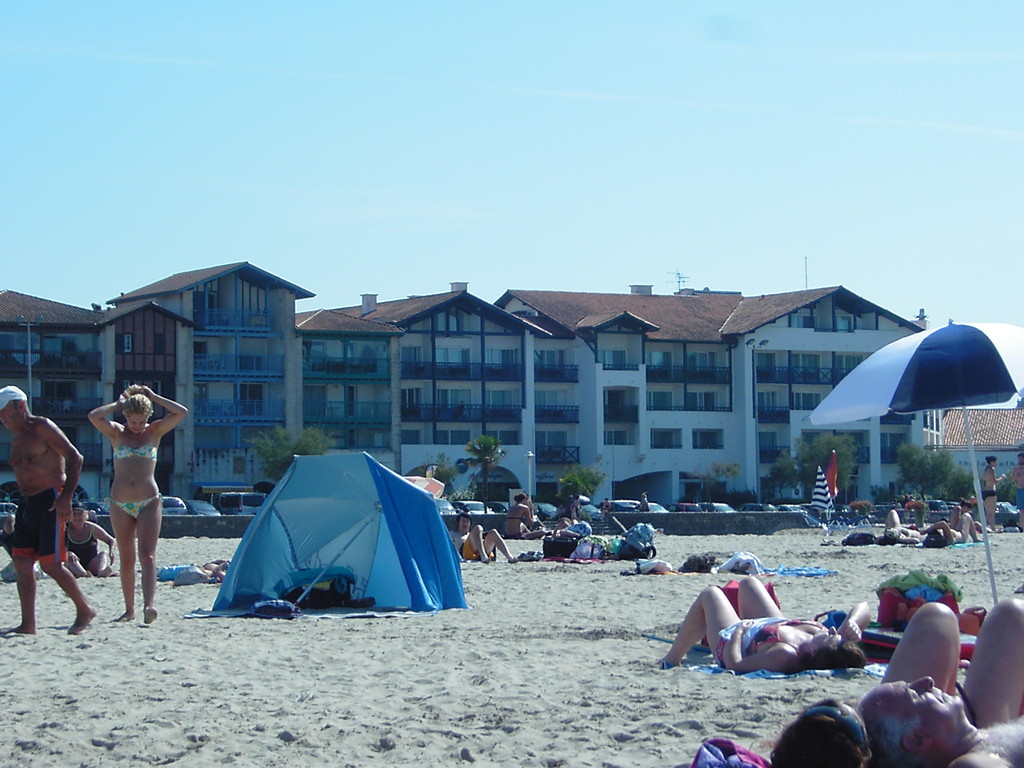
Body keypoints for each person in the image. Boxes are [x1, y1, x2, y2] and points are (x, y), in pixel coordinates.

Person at [772, 600, 1024, 768]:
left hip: (959, 738)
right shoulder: (974, 764)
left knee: (938, 616)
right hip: (971, 743)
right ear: (918, 739)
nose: (927, 681)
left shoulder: (961, 747)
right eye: (916, 693)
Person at [0, 385, 96, 634]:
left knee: (51, 564)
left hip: (50, 499)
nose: (2, 418)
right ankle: (28, 624)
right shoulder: (17, 435)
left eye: (4, 412)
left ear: (20, 406)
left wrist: (66, 498)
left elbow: (75, 457)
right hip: (27, 502)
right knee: (21, 561)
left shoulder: (41, 427)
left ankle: (85, 609)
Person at [88, 384, 187, 624]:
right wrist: (117, 404)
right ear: (126, 416)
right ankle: (129, 608)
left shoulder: (154, 432)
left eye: (142, 421)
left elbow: (181, 412)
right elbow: (93, 416)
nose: (138, 426)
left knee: (147, 555)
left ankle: (149, 605)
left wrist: (154, 397)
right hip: (120, 502)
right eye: (134, 421)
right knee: (126, 557)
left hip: (149, 501)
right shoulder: (116, 432)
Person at [656, 575, 870, 673]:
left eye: (832, 635)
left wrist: (739, 631)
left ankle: (671, 659)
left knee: (710, 593)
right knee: (749, 583)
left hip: (734, 642)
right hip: (769, 625)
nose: (832, 629)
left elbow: (735, 665)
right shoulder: (824, 639)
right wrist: (852, 622)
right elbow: (864, 607)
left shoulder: (785, 655)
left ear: (816, 652)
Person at [64, 505, 116, 578]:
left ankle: (101, 571)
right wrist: (67, 553)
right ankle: (84, 574)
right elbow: (55, 547)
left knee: (104, 553)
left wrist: (111, 552)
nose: (77, 517)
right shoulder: (64, 529)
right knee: (68, 557)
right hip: (73, 563)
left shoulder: (92, 528)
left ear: (85, 515)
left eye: (80, 514)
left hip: (91, 563)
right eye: (74, 514)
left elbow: (111, 540)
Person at [450, 513, 518, 563]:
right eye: (463, 521)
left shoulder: (472, 534)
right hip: (465, 553)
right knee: (478, 528)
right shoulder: (453, 534)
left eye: (467, 521)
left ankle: (509, 557)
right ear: (458, 523)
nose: (465, 523)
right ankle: (483, 556)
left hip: (478, 552)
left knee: (493, 532)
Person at [982, 455, 1001, 529]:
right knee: (992, 513)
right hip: (991, 491)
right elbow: (995, 481)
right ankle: (993, 527)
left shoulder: (985, 469)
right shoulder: (991, 469)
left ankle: (986, 527)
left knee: (987, 512)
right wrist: (1002, 478)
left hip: (985, 491)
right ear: (992, 462)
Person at [1011, 453, 1024, 528]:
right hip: (1020, 489)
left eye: (1021, 459)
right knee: (1022, 510)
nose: (1020, 460)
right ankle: (1022, 526)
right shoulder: (1017, 468)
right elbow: (1012, 480)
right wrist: (1015, 473)